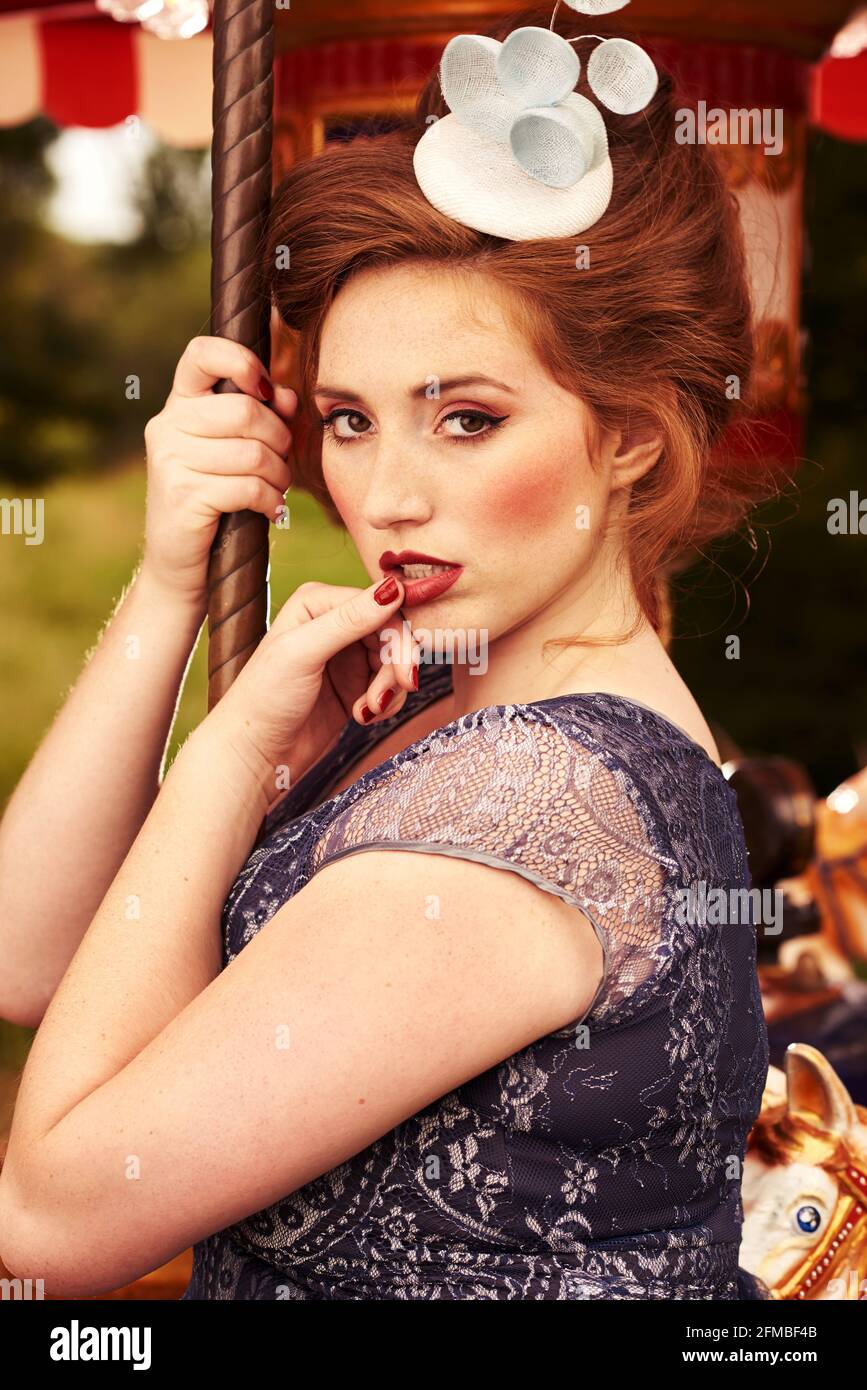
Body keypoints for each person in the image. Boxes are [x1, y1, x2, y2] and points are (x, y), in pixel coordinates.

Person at [0, 1, 773, 1299]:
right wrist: (171, 579)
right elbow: (29, 953)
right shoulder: (457, 708)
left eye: (466, 419)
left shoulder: (533, 809)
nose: (387, 494)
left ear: (632, 435)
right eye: (350, 420)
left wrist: (230, 756)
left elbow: (52, 1213)